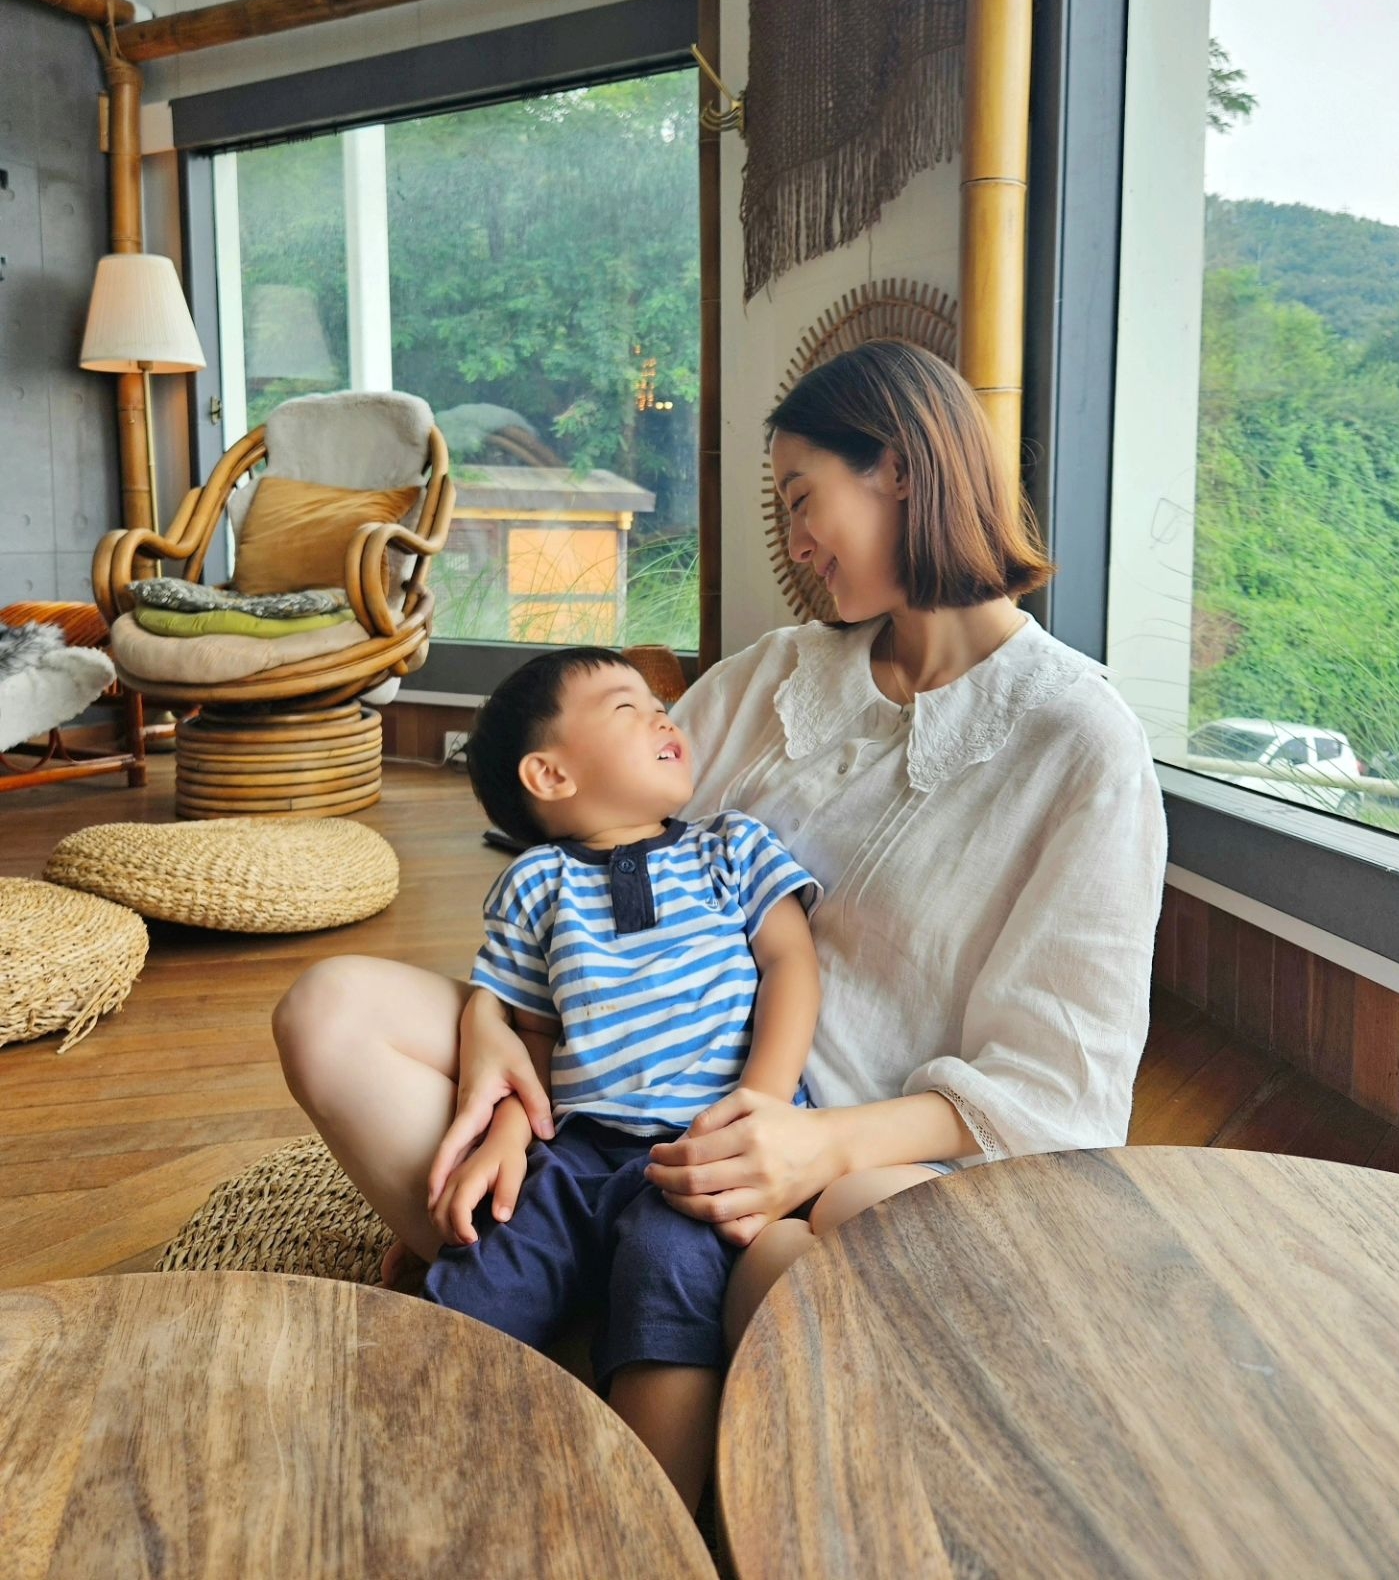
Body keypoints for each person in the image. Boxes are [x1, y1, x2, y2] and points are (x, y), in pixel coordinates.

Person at [273, 338, 1165, 1482]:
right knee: (331, 1009)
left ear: (897, 470)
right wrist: (503, 1046)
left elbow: (1061, 1093)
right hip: (622, 1107)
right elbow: (593, 855)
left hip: (844, 1164)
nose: (793, 543)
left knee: (872, 1229)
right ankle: (574, 1285)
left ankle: (638, 1349)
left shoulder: (1081, 744)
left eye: (801, 498)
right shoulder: (774, 677)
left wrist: (814, 1142)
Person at [282, 645, 821, 1511]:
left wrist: (761, 1099)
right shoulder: (534, 885)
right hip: (577, 1150)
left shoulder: (731, 847)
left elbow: (791, 963)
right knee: (484, 1271)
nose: (662, 716)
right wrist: (506, 1136)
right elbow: (530, 1035)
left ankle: (646, 1524)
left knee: (668, 1284)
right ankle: (409, 1491)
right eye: (626, 707)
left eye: (659, 704)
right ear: (551, 774)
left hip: (701, 1151)